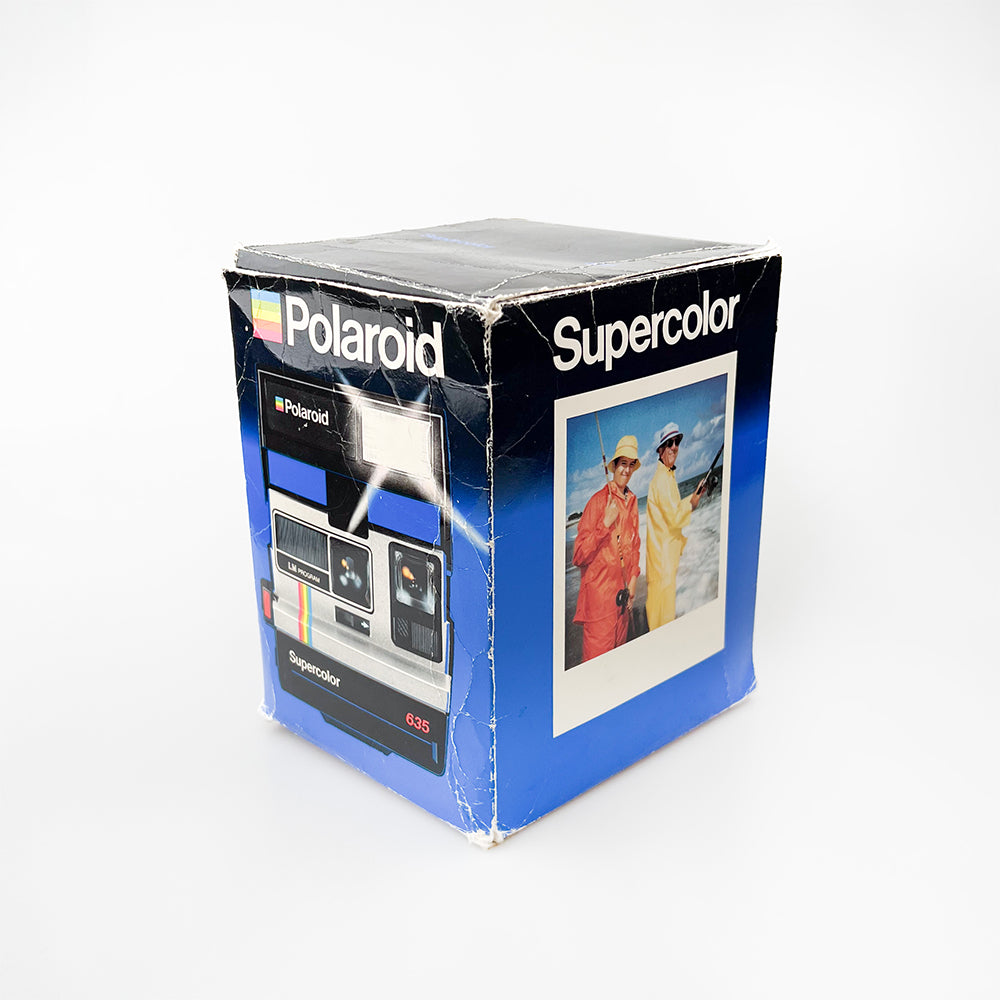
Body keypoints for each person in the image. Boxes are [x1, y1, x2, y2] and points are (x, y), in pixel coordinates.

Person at [572, 435, 641, 662]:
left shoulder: (632, 501)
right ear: (614, 466)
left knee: (618, 667)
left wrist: (632, 581)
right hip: (600, 610)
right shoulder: (597, 502)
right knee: (596, 671)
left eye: (631, 464)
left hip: (623, 604)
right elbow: (579, 555)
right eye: (623, 463)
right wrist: (605, 523)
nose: (627, 470)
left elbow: (635, 545)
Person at [645, 422, 705, 629]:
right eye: (669, 443)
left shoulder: (667, 476)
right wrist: (693, 504)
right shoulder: (662, 480)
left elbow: (673, 509)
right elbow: (675, 518)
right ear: (660, 450)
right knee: (662, 624)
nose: (674, 447)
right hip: (662, 566)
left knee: (662, 621)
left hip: (664, 563)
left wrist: (693, 496)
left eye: (677, 442)